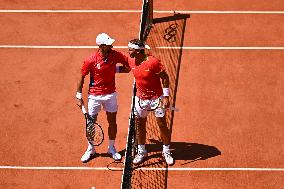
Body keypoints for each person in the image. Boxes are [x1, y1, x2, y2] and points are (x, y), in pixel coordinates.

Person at [75, 33, 130, 163]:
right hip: (94, 96)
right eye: (109, 44)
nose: (112, 45)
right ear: (102, 46)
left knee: (112, 122)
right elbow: (82, 76)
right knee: (91, 123)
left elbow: (127, 66)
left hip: (110, 95)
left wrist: (114, 70)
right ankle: (91, 149)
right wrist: (78, 95)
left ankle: (111, 148)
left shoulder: (115, 55)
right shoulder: (91, 60)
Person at [127, 39, 174, 165]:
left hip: (156, 99)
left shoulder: (153, 62)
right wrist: (110, 71)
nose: (128, 51)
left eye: (130, 49)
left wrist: (166, 97)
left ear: (137, 51)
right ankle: (142, 151)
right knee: (140, 124)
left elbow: (165, 77)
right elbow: (126, 69)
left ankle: (166, 150)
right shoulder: (131, 60)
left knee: (162, 124)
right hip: (140, 99)